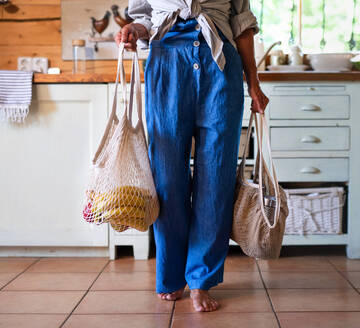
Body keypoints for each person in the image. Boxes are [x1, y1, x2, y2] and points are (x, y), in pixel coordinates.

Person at [115, 0, 269, 312]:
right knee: (167, 179)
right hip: (166, 65)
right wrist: (134, 30)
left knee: (215, 178)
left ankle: (201, 280)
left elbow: (241, 22)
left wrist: (253, 81)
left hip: (221, 66)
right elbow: (145, 18)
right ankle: (171, 275)